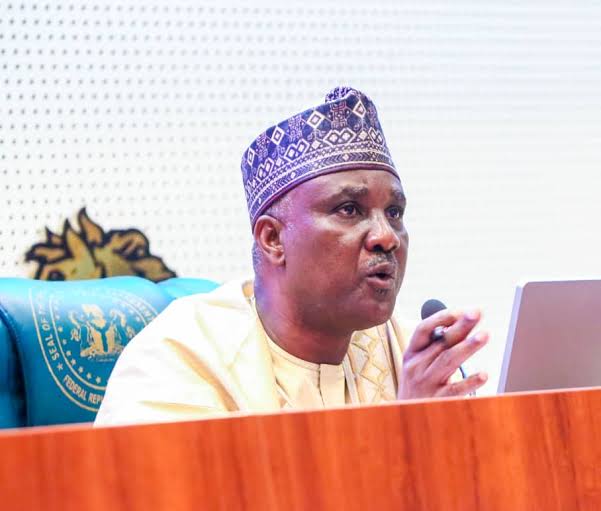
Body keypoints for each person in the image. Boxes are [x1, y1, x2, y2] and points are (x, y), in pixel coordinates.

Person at [94, 87, 488, 426]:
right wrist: (410, 428)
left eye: (395, 213)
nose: (386, 236)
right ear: (273, 239)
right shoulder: (180, 360)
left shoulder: (406, 348)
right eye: (349, 209)